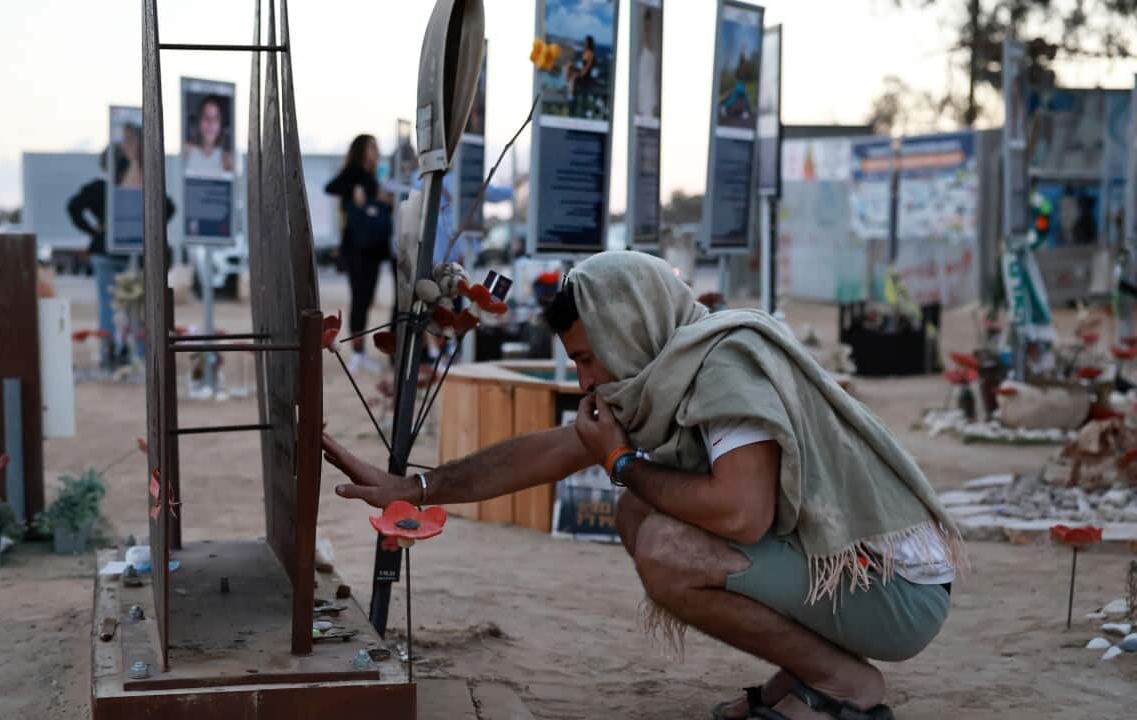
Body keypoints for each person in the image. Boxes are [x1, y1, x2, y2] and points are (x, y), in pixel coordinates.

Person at [322, 251, 963, 720]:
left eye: (586, 358)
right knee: (638, 514)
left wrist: (622, 463)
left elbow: (742, 514)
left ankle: (844, 685)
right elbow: (547, 452)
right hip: (859, 575)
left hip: (893, 590)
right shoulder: (669, 368)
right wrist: (416, 486)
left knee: (663, 543)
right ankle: (808, 674)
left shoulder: (722, 366)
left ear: (627, 330)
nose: (585, 381)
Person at [67, 149, 174, 369]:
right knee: (141, 306)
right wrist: (148, 228)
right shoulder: (137, 188)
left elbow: (73, 207)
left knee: (108, 306)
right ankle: (143, 354)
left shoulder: (96, 188)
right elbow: (169, 207)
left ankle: (110, 353)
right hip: (137, 252)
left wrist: (94, 231)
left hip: (104, 251)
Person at [325, 134, 393, 373]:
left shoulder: (374, 178)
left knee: (366, 298)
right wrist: (354, 192)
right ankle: (357, 352)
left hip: (374, 248)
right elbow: (331, 187)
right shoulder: (353, 173)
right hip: (356, 247)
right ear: (361, 150)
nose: (375, 151)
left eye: (376, 147)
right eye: (371, 147)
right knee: (359, 298)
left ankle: (361, 351)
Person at [183, 96, 234, 178]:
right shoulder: (185, 152)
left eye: (215, 118)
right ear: (199, 121)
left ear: (221, 124)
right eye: (206, 116)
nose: (210, 123)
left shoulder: (227, 160)